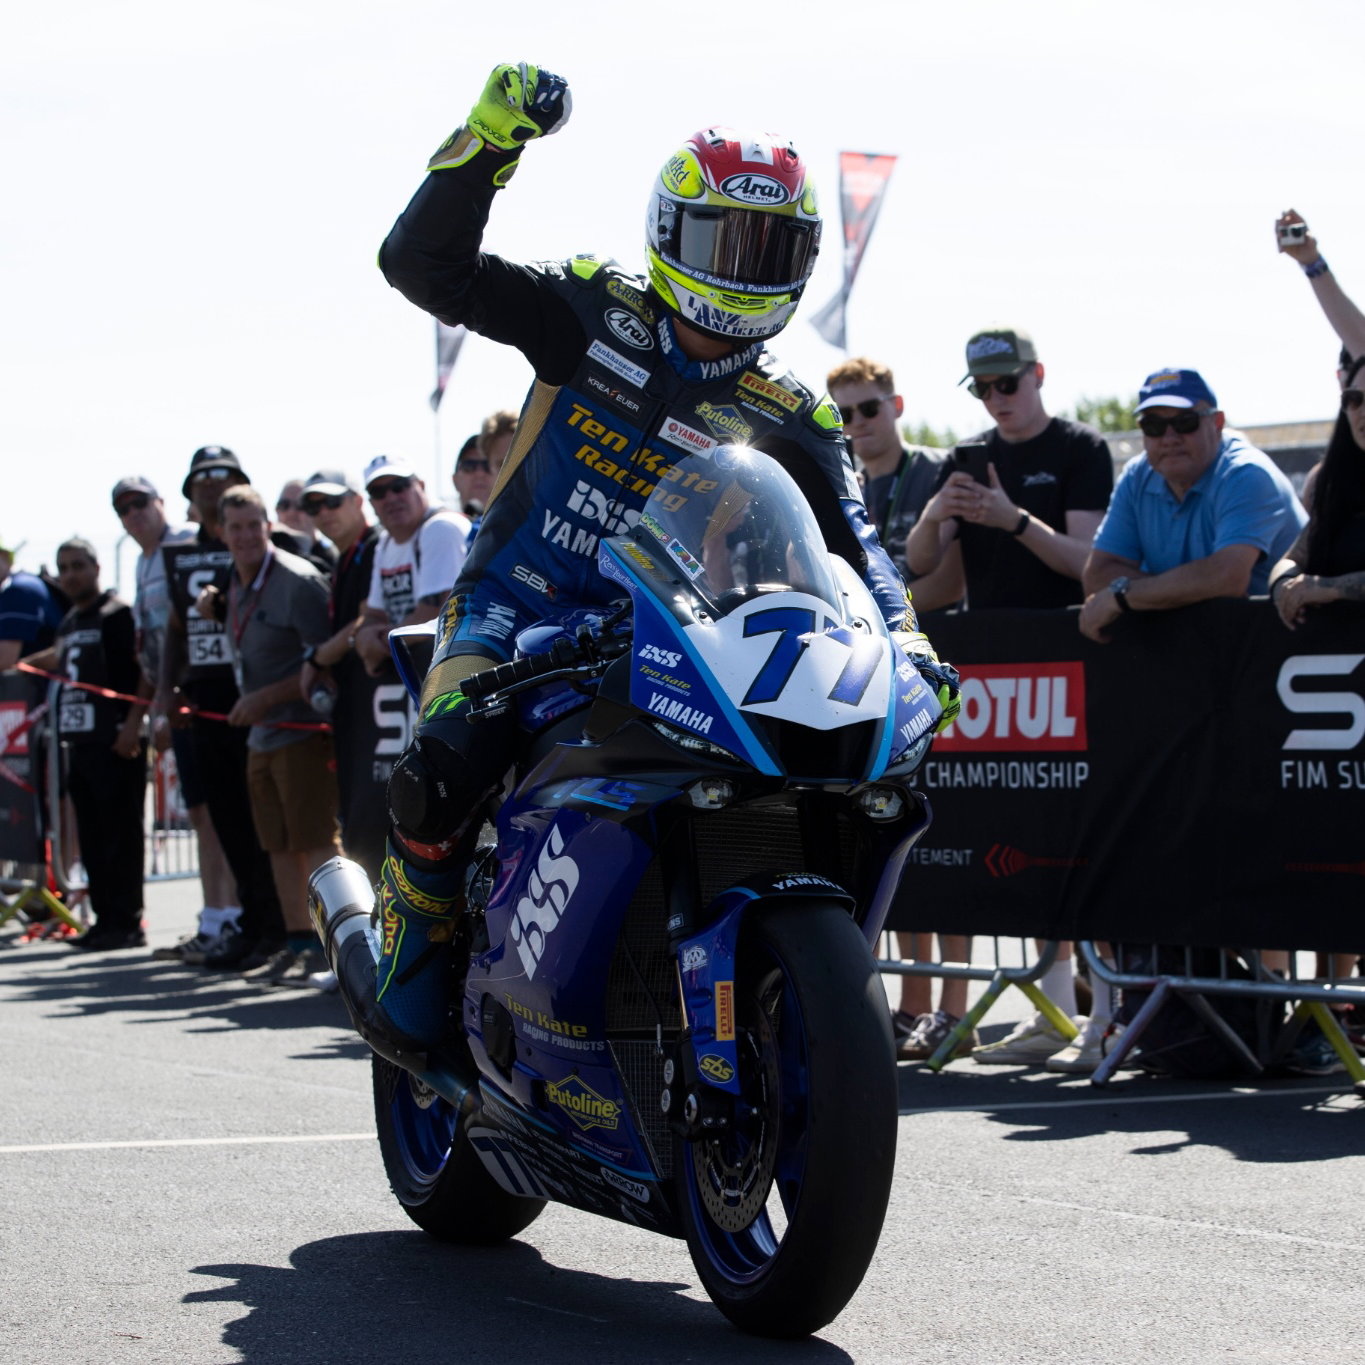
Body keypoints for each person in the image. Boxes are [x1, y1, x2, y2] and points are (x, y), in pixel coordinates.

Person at [359, 62, 959, 1058]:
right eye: (728, 239)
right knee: (443, 764)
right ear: (672, 234)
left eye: (773, 246)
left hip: (676, 635)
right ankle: (411, 965)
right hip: (517, 607)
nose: (748, 265)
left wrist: (905, 641)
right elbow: (423, 269)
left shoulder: (792, 410)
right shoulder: (594, 309)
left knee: (803, 784)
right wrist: (488, 142)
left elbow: (860, 550)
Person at [826, 357, 967, 1059]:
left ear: (896, 405)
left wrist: (891, 618)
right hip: (864, 677)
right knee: (888, 837)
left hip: (932, 668)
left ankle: (954, 1004)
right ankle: (911, 1000)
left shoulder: (936, 471)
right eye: (843, 413)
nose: (856, 425)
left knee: (950, 840)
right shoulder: (836, 479)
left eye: (868, 409)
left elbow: (951, 576)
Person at [200, 486, 339, 986]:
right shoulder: (232, 582)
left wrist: (266, 699)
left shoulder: (297, 580)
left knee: (318, 840)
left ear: (268, 526)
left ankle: (340, 945)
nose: (244, 536)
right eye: (234, 527)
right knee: (278, 845)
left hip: (301, 731)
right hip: (261, 736)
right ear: (221, 532)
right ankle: (297, 941)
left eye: (252, 525)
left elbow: (324, 660)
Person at [156, 446, 287, 970]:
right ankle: (250, 925)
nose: (211, 486)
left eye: (222, 476)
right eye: (201, 479)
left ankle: (283, 928)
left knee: (268, 823)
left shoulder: (274, 543)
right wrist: (167, 688)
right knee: (227, 817)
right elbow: (173, 627)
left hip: (263, 697)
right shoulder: (184, 553)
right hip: (208, 702)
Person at [112, 476, 240, 961]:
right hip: (177, 699)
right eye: (123, 509)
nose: (134, 514)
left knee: (218, 810)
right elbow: (157, 642)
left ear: (162, 502)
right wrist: (157, 703)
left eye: (140, 502)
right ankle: (214, 916)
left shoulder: (187, 544)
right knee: (200, 811)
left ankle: (232, 915)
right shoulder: (146, 561)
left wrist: (171, 695)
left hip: (206, 694)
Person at [1080, 368, 1307, 642]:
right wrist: (1182, 588)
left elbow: (1226, 578)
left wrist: (1122, 595)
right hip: (1208, 648)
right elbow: (1096, 576)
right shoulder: (1135, 476)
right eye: (1153, 425)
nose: (1170, 437)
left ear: (1217, 423)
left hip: (1286, 643)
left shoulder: (1246, 473)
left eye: (1185, 422)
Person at [906, 327, 1113, 609]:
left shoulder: (1080, 446)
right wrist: (931, 517)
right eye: (981, 388)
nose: (995, 398)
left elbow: (1087, 564)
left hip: (1063, 631)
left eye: (1007, 384)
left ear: (1038, 375)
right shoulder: (965, 456)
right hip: (987, 637)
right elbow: (921, 563)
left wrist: (1014, 521)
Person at [33, 540, 147, 949]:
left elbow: (141, 672)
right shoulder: (69, 622)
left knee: (121, 833)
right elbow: (60, 657)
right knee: (93, 836)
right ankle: (104, 919)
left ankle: (128, 920)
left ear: (96, 567)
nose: (70, 574)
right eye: (64, 568)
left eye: (78, 566)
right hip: (79, 743)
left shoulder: (116, 615)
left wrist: (133, 725)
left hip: (116, 740)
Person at [296, 469, 385, 883]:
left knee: (372, 827)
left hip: (381, 710)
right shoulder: (345, 558)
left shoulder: (376, 546)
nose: (324, 512)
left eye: (333, 501)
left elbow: (366, 621)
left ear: (356, 501)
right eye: (314, 505)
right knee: (355, 824)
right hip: (354, 710)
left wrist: (318, 659)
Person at [353, 454, 470, 679]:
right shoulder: (385, 542)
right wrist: (362, 639)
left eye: (399, 486)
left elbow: (438, 614)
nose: (390, 497)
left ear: (421, 486)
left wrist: (377, 643)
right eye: (378, 492)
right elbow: (373, 613)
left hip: (458, 670)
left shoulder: (441, 527)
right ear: (371, 503)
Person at [1271, 357, 1365, 629]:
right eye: (1354, 398)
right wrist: (1284, 586)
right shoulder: (1337, 486)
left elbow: (1322, 586)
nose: (1362, 410)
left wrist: (1329, 587)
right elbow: (1291, 558)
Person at [0, 539, 64, 670]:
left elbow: (4, 660)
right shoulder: (24, 584)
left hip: (40, 686)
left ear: (5, 556)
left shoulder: (18, 590)